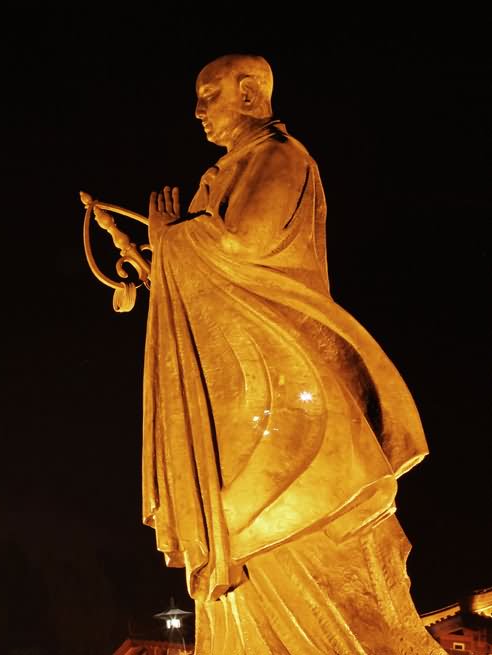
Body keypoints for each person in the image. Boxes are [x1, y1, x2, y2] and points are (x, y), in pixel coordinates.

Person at [142, 54, 443, 654]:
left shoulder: (282, 159)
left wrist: (173, 239)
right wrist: (155, 266)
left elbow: (247, 245)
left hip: (286, 378)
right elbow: (215, 275)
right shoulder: (221, 175)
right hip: (239, 389)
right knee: (237, 525)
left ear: (251, 95)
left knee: (289, 516)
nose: (198, 111)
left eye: (210, 95)